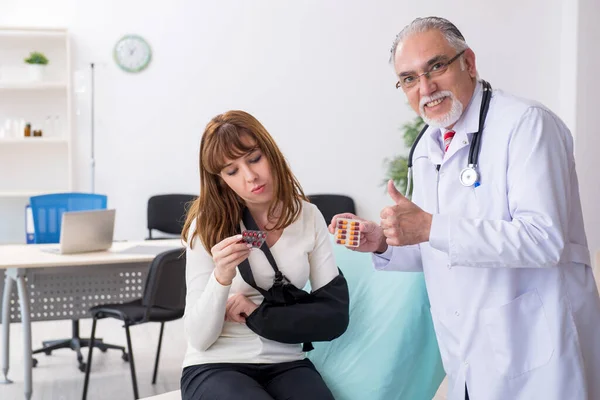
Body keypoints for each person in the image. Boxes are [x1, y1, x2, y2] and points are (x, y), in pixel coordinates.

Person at [329, 16, 600, 400]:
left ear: (468, 63)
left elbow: (544, 239)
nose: (425, 88)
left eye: (435, 67)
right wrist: (383, 241)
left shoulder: (526, 125)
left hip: (540, 351)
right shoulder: (428, 146)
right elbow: (438, 245)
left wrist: (428, 228)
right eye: (409, 79)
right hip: (468, 352)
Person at [180, 110, 340, 400]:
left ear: (270, 152)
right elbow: (199, 338)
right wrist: (221, 277)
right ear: (220, 180)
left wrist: (259, 314)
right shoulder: (204, 226)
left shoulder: (309, 216)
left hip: (287, 362)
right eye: (232, 171)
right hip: (215, 365)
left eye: (254, 159)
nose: (250, 176)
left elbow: (333, 316)